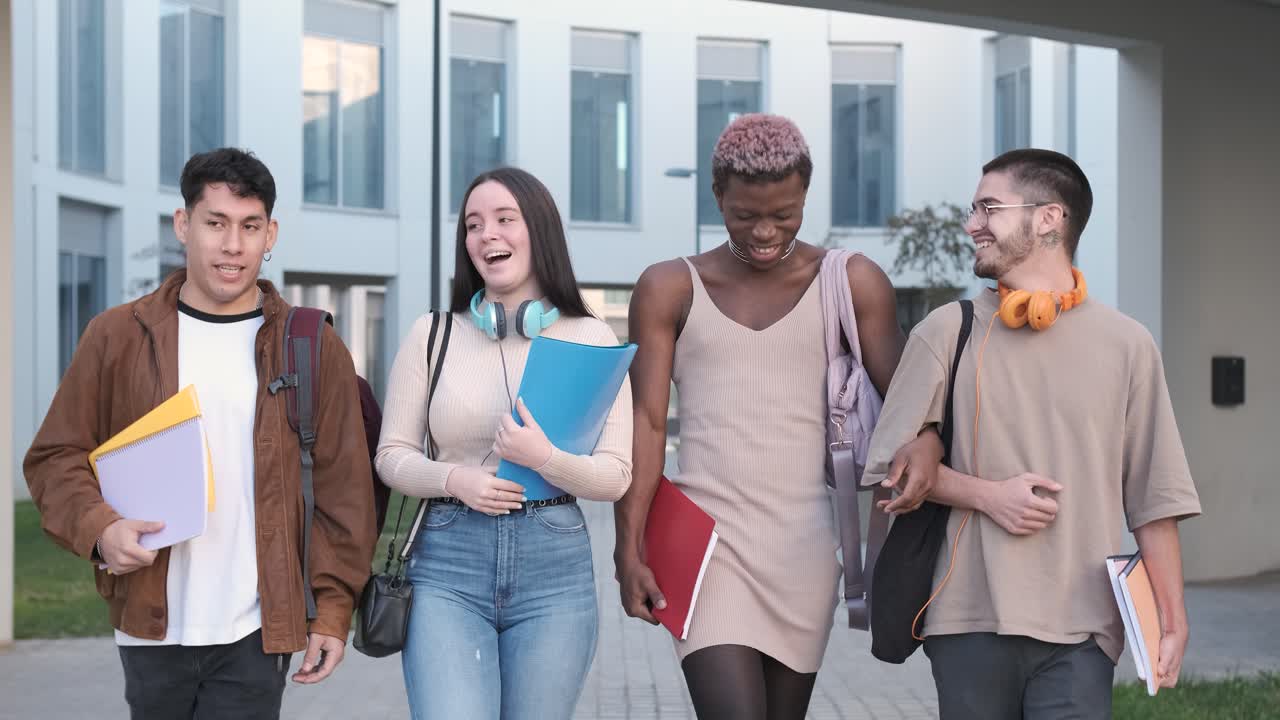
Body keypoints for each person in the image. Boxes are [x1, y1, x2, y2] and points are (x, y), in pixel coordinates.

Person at [24, 148, 378, 719]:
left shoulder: (311, 346)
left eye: (249, 226)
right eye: (215, 223)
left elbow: (345, 492)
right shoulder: (117, 337)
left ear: (271, 234)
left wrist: (333, 611)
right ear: (184, 225)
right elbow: (55, 457)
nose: (232, 245)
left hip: (256, 630)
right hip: (150, 625)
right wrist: (100, 529)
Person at [863, 148, 1202, 719]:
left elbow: (1155, 497)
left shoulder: (1128, 344)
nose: (973, 224)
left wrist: (1173, 621)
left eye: (988, 208)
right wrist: (988, 495)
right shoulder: (947, 331)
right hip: (967, 619)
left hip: (1084, 630)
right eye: (974, 210)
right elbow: (888, 473)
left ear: (1049, 218)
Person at [612, 113, 919, 719]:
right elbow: (645, 425)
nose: (764, 232)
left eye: (785, 214)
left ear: (806, 193)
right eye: (745, 215)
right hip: (705, 548)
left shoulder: (852, 282)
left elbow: (914, 407)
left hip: (805, 552)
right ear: (717, 196)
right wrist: (628, 549)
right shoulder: (669, 286)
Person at [376, 166, 633, 720]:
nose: (486, 234)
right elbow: (391, 455)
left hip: (554, 565)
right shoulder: (432, 334)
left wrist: (545, 459)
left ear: (538, 231)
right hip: (446, 560)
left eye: (503, 219)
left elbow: (615, 477)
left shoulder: (592, 337)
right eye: (473, 224)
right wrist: (454, 479)